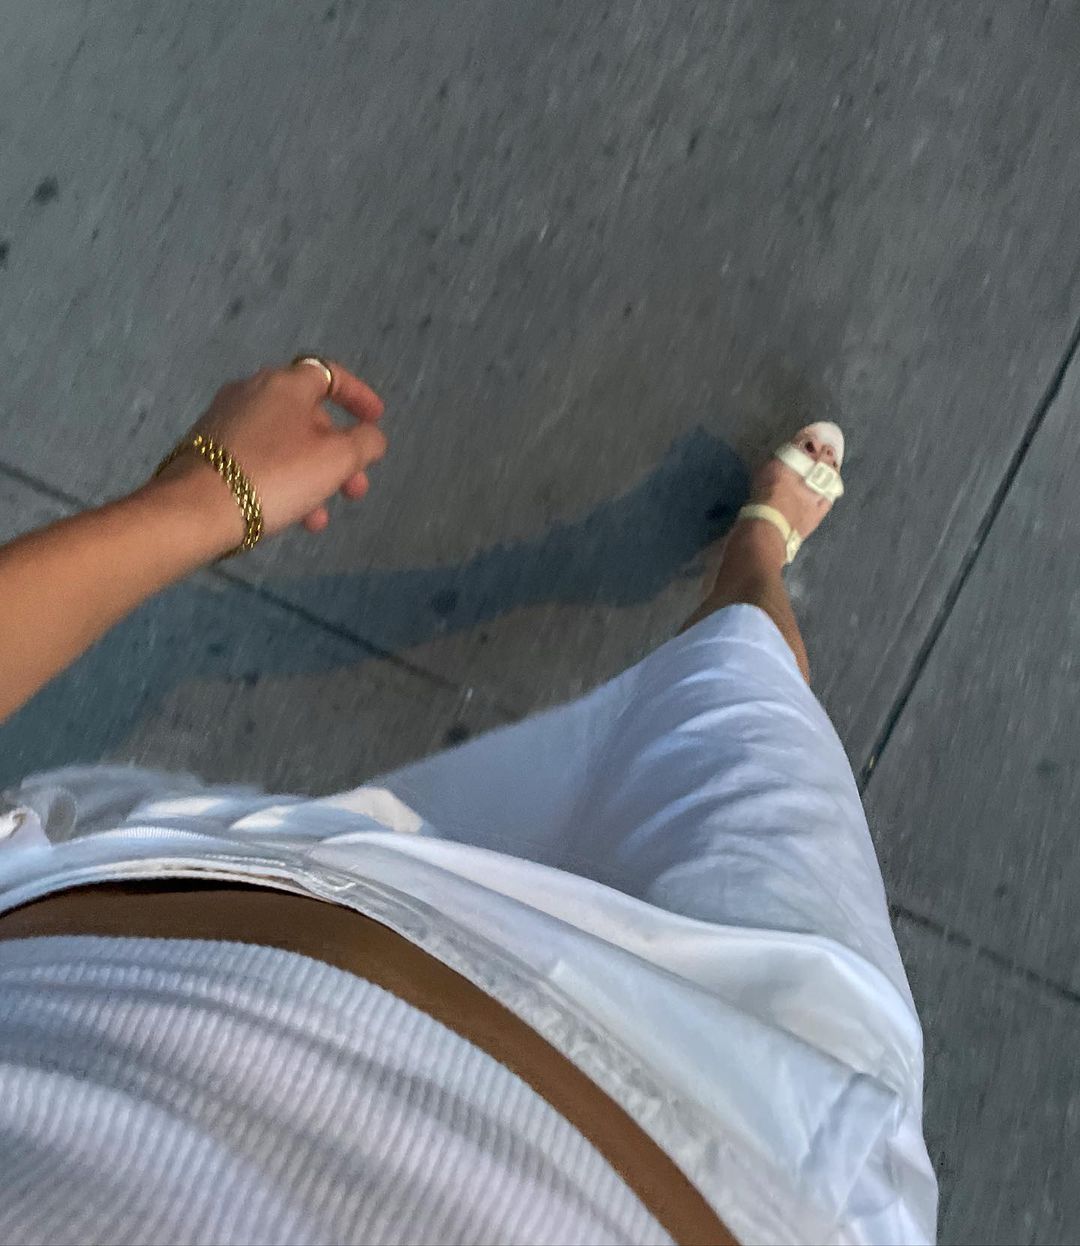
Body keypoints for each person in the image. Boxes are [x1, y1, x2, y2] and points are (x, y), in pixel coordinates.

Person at [0, 356, 937, 1246]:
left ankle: (752, 564)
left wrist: (200, 501)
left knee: (731, 703)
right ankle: (758, 555)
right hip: (759, 1120)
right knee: (746, 716)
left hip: (203, 893)